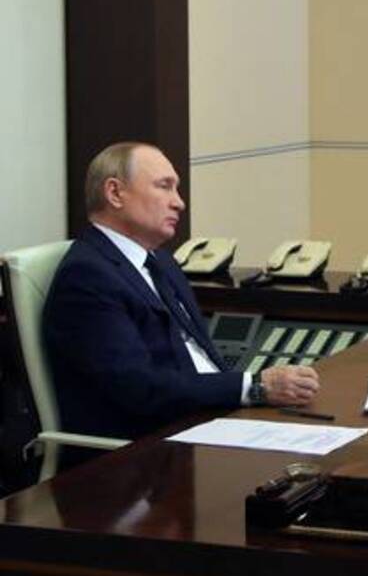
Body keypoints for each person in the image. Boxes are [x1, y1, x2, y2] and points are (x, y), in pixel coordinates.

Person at [44, 142, 320, 463]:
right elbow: (140, 388)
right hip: (145, 458)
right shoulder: (87, 276)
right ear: (115, 193)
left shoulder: (160, 261)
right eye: (165, 187)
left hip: (211, 422)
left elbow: (201, 359)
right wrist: (254, 387)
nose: (179, 203)